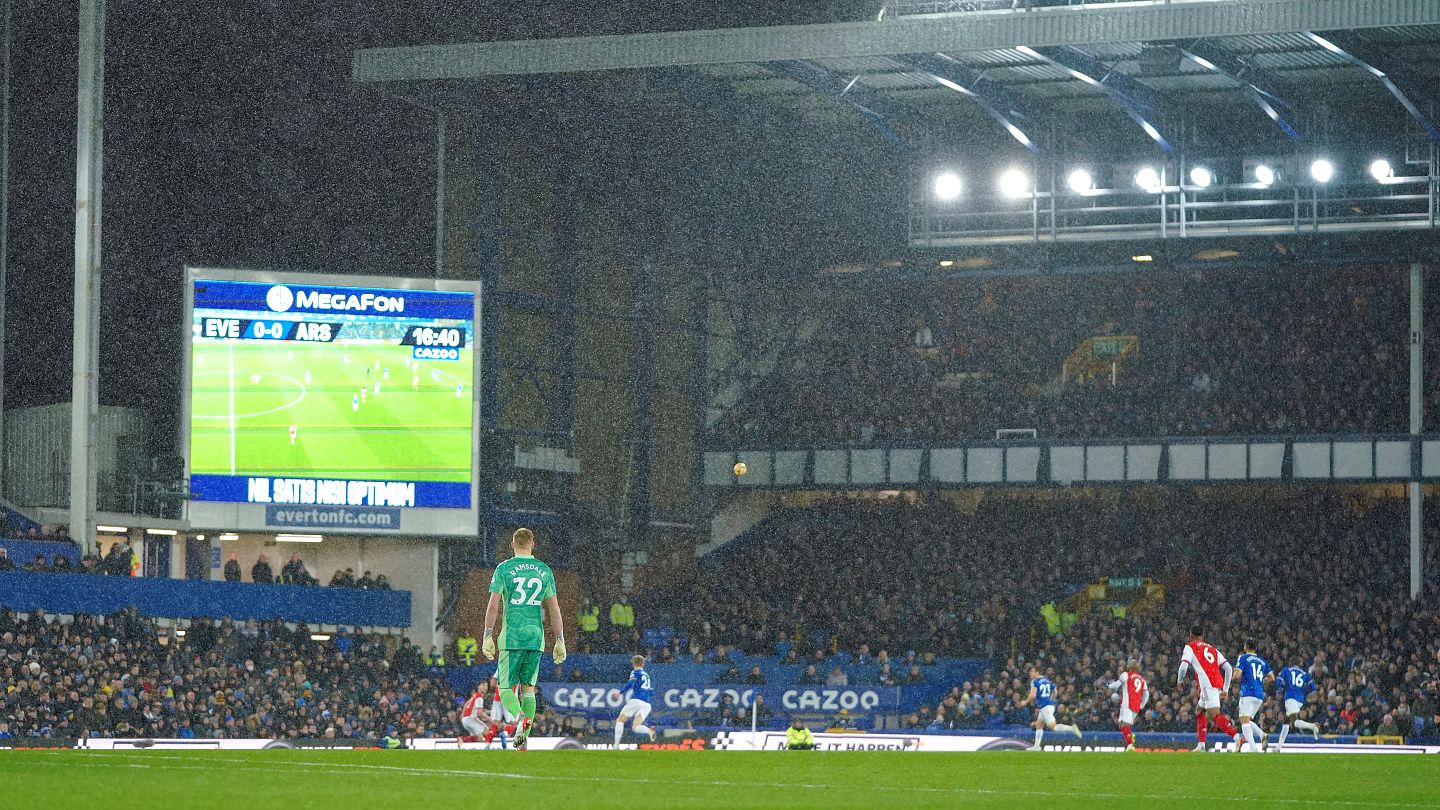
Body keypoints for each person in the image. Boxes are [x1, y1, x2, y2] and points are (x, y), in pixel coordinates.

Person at [483, 527, 566, 750]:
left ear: (512, 544)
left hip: (512, 636)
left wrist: (487, 635)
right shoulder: (544, 570)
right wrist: (560, 640)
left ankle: (518, 715)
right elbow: (554, 608)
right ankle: (521, 741)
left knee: (506, 687)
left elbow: (493, 605)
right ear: (533, 545)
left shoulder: (504, 569)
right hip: (535, 637)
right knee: (528, 690)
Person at [1178, 626, 1243, 752]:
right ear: (1202, 635)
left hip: (1207, 685)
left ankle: (1237, 738)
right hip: (1215, 684)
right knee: (1199, 711)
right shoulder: (1212, 648)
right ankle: (1201, 745)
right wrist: (1225, 689)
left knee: (1214, 714)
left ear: (1191, 635)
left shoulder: (1190, 646)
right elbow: (1229, 668)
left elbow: (1183, 666)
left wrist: (1180, 680)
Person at [1021, 665, 1081, 750]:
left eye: (1032, 671)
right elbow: (1055, 691)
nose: (1030, 673)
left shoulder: (1035, 681)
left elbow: (1033, 695)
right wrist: (1050, 700)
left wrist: (1025, 702)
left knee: (1054, 727)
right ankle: (1036, 747)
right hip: (1046, 706)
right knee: (1039, 725)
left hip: (1045, 707)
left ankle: (1072, 728)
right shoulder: (1046, 680)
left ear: (1037, 672)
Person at [1235, 638, 1274, 752]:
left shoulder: (1243, 657)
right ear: (1256, 648)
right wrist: (1261, 682)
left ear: (1245, 647)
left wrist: (1232, 678)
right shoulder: (1262, 661)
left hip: (1247, 692)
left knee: (1244, 721)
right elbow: (1272, 677)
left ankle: (1253, 747)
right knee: (1247, 720)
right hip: (1259, 694)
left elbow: (1237, 675)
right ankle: (1262, 735)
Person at [1275, 663, 1321, 751]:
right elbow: (1313, 686)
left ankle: (1313, 726)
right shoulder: (1304, 673)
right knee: (1286, 722)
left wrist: (1285, 688)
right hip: (1300, 699)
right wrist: (1303, 691)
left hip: (1290, 697)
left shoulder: (1286, 670)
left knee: (1294, 721)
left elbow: (1278, 681)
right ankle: (1278, 747)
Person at [613, 654, 656, 745]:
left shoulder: (635, 672)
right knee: (635, 727)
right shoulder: (647, 675)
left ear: (633, 663)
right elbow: (651, 691)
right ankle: (649, 731)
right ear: (643, 664)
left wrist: (620, 692)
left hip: (637, 700)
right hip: (647, 704)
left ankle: (616, 746)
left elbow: (630, 683)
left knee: (620, 720)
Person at [1107, 659, 1148, 752]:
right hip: (1136, 706)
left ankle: (1130, 745)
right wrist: (1142, 705)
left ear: (1130, 667)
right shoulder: (1142, 679)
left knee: (1124, 725)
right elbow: (1146, 695)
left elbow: (1117, 685)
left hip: (1127, 704)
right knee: (1121, 725)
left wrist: (1108, 686)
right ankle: (1130, 735)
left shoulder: (1126, 675)